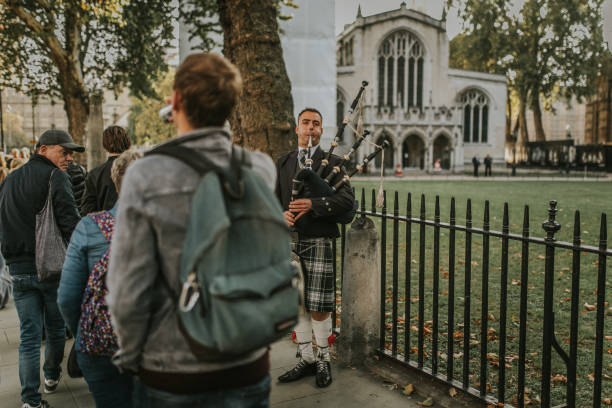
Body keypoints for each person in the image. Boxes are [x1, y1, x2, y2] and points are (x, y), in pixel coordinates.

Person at [107, 52, 276, 408]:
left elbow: (128, 288)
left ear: (176, 101)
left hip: (173, 368)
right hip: (247, 362)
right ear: (231, 104)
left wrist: (132, 355)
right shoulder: (260, 168)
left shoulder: (145, 175)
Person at [0, 129, 84, 408]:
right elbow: (70, 221)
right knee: (56, 328)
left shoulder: (9, 180)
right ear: (44, 149)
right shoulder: (55, 177)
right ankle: (50, 375)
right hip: (51, 269)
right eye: (64, 151)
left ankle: (30, 400)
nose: (69, 158)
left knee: (29, 336)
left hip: (19, 270)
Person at [275, 108, 355, 388]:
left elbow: (348, 205)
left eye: (316, 124)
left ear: (321, 130)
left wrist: (314, 205)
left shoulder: (333, 163)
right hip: (290, 243)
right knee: (297, 306)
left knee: (319, 305)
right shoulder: (282, 163)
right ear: (297, 128)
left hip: (319, 240)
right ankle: (307, 359)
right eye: (305, 123)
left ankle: (323, 359)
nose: (311, 128)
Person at [58, 150, 141, 408]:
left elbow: (67, 298)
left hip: (100, 347)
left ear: (116, 184)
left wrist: (86, 332)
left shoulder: (89, 227)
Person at [80, 126, 131, 215]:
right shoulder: (137, 170)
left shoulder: (94, 174)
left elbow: (87, 211)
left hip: (104, 226)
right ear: (127, 143)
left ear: (105, 145)